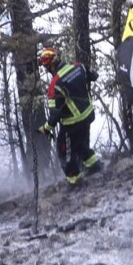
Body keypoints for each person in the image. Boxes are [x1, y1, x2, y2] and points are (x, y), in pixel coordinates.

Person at [37, 47, 103, 186]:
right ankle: (95, 167)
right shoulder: (79, 67)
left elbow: (55, 114)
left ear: (51, 65)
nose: (46, 69)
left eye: (46, 66)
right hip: (89, 115)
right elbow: (94, 76)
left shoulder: (55, 85)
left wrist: (45, 128)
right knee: (79, 144)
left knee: (64, 153)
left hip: (73, 122)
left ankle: (75, 181)